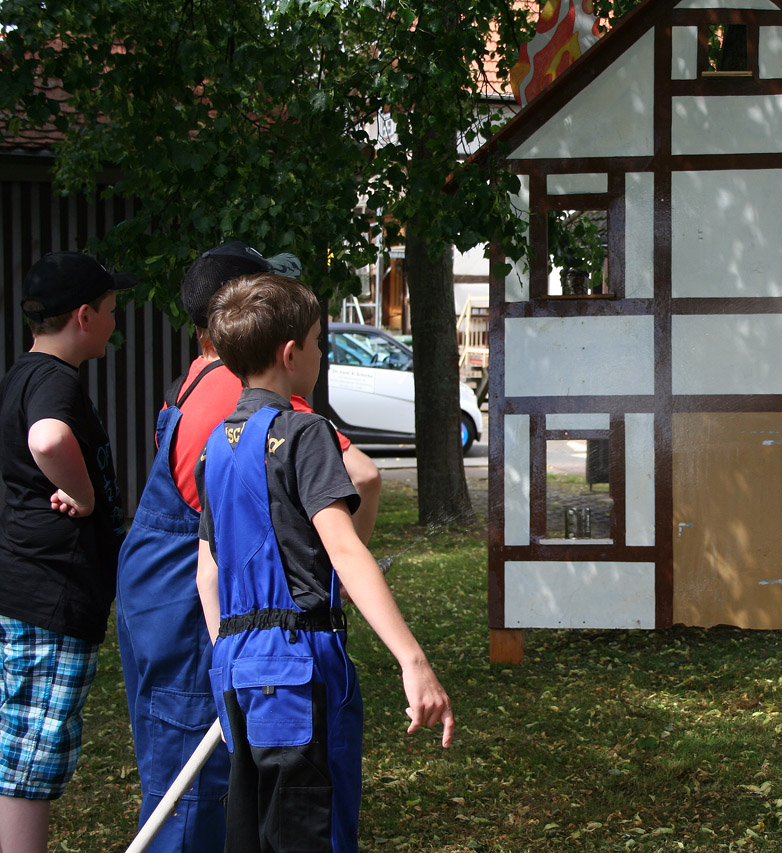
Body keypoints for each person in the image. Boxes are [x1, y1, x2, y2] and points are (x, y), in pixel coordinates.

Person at [115, 242, 382, 852]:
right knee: (195, 787)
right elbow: (362, 475)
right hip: (201, 602)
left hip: (154, 590)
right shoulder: (241, 400)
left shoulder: (193, 379)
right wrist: (328, 581)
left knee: (181, 768)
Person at [195, 273, 452, 852]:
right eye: (318, 342)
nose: (320, 353)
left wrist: (229, 660)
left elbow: (207, 572)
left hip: (234, 668)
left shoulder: (216, 445)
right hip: (299, 667)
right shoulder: (305, 433)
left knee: (256, 835)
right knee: (315, 832)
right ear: (292, 354)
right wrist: (412, 660)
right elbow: (344, 548)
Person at [0, 252, 134, 853]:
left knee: (20, 748)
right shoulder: (55, 380)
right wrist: (82, 497)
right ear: (83, 316)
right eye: (110, 310)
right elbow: (48, 438)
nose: (114, 323)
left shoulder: (23, 372)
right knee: (30, 761)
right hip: (49, 595)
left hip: (29, 588)